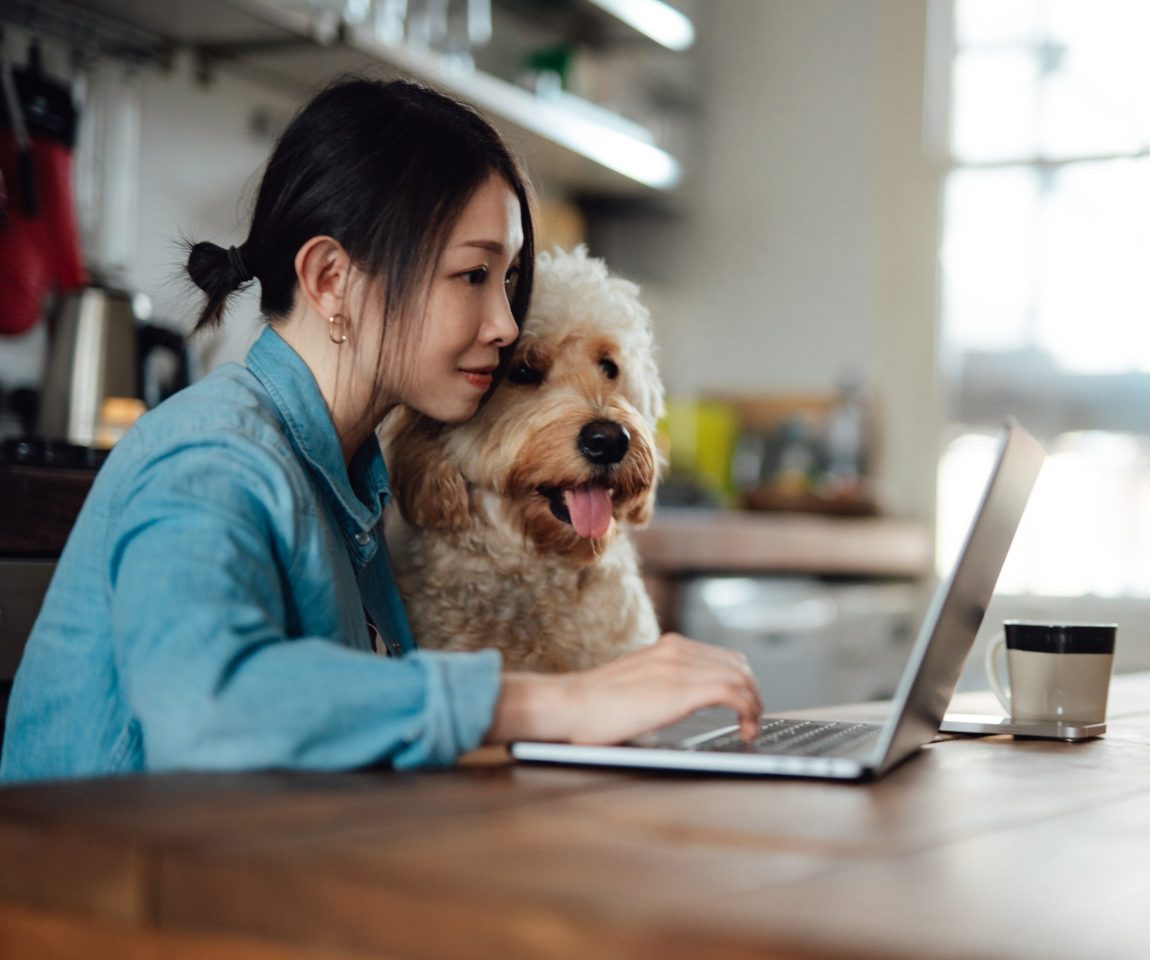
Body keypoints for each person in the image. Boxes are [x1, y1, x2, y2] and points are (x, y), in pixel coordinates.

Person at [0, 77, 761, 783]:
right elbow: (207, 707)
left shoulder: (348, 477)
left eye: (508, 281)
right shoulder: (212, 458)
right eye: (472, 276)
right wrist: (555, 703)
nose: (502, 323)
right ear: (331, 279)